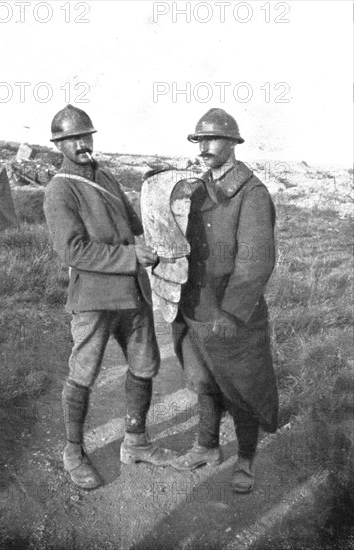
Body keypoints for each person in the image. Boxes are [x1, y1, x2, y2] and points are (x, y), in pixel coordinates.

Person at [44, 104, 178, 490]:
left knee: (144, 367)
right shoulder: (60, 189)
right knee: (83, 375)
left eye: (87, 136)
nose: (83, 144)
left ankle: (135, 441)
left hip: (132, 293)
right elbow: (72, 251)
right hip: (94, 300)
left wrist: (154, 191)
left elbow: (135, 224)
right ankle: (73, 451)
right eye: (74, 139)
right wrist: (128, 256)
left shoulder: (105, 176)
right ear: (60, 145)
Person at [171, 108, 279, 493]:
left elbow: (256, 261)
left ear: (233, 143)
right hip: (196, 307)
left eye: (212, 139)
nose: (204, 147)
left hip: (232, 315)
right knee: (203, 382)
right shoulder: (199, 187)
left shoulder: (252, 193)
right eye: (200, 140)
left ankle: (246, 459)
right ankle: (206, 446)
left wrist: (232, 311)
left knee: (242, 388)